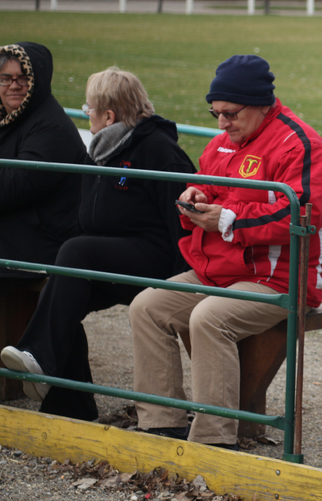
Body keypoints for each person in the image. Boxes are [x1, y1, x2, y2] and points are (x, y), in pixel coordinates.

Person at [128, 55, 322, 448]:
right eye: (215, 113)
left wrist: (228, 219)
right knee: (147, 308)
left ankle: (215, 439)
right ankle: (161, 424)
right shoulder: (222, 143)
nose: (222, 123)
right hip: (220, 271)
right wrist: (195, 196)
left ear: (261, 104)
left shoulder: (301, 144)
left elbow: (305, 213)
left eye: (230, 113)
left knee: (209, 318)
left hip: (280, 278)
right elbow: (210, 186)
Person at [1, 67, 195, 421]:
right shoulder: (103, 149)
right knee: (59, 299)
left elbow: (182, 222)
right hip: (113, 259)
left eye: (88, 108)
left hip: (158, 260)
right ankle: (71, 406)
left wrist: (182, 284)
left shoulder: (158, 150)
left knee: (76, 252)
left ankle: (38, 358)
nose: (85, 114)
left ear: (109, 116)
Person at [0, 42, 86, 290]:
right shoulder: (9, 118)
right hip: (17, 225)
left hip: (41, 240)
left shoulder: (51, 127)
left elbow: (14, 186)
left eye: (23, 78)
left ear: (38, 80)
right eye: (5, 79)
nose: (14, 85)